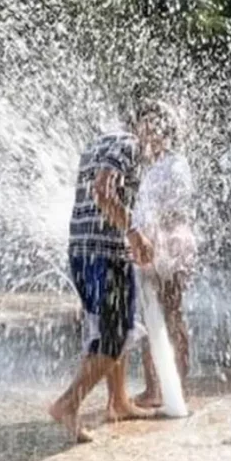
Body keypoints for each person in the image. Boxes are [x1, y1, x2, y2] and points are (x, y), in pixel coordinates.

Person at [50, 100, 171, 443]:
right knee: (114, 334)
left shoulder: (102, 141)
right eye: (163, 134)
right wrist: (132, 232)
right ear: (148, 126)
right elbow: (103, 190)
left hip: (85, 251)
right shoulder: (130, 145)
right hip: (104, 254)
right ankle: (68, 404)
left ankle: (118, 401)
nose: (163, 146)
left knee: (113, 328)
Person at [132, 154, 196, 408]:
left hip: (169, 243)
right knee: (155, 314)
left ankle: (170, 386)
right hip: (158, 241)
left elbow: (174, 208)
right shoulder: (151, 165)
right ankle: (159, 387)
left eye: (151, 124)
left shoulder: (176, 163)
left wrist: (150, 234)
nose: (146, 133)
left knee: (169, 313)